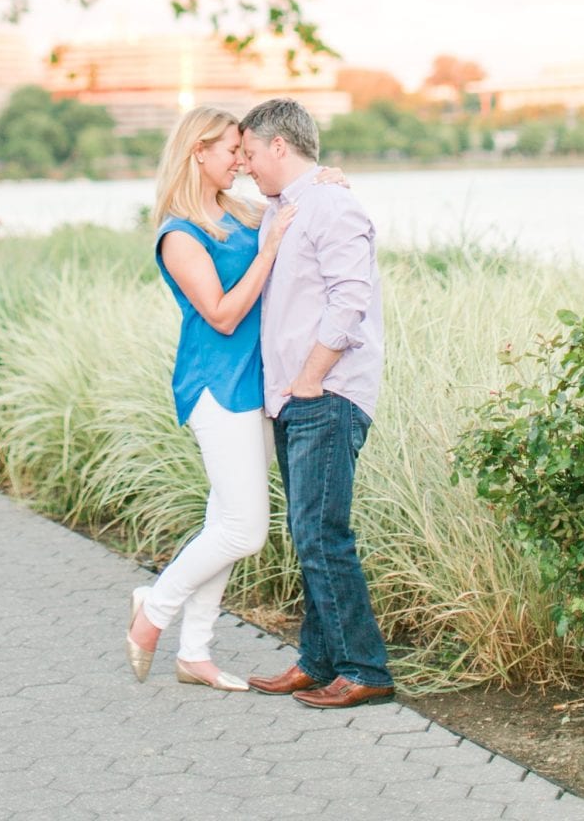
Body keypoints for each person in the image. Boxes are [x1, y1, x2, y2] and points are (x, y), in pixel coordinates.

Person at [125, 106, 344, 691]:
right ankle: (155, 608)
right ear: (198, 152)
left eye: (246, 152)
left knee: (223, 515)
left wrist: (326, 179)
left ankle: (194, 652)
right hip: (216, 388)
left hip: (258, 386)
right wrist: (268, 249)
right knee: (245, 530)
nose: (241, 162)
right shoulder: (179, 233)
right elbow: (221, 316)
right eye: (230, 151)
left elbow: (291, 192)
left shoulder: (242, 211)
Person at [239, 97, 393, 709]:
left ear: (280, 146)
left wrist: (310, 377)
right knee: (308, 532)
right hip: (291, 397)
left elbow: (350, 298)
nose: (247, 164)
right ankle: (318, 659)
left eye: (250, 153)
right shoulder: (286, 206)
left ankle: (366, 670)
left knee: (323, 534)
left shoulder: (332, 203)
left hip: (325, 393)